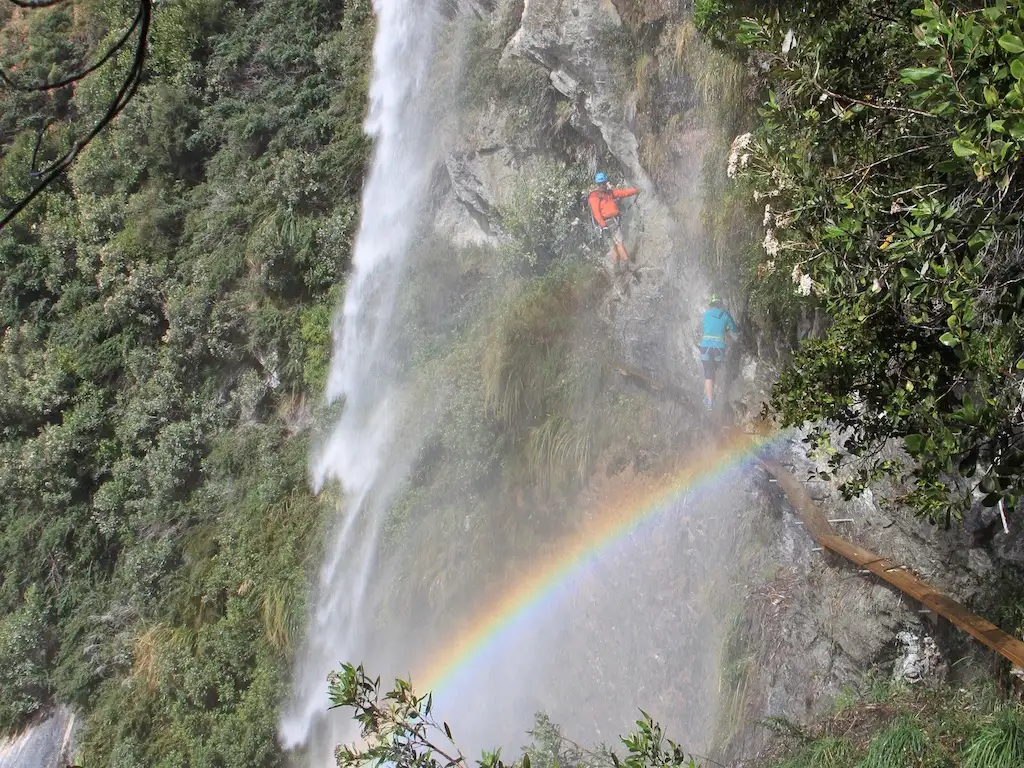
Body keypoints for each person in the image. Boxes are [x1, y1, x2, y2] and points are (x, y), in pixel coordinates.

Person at [587, 172, 639, 271]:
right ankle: (629, 265)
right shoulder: (595, 197)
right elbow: (596, 214)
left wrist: (635, 190)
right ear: (598, 185)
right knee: (618, 244)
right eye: (601, 184)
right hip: (607, 224)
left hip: (610, 223)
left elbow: (623, 193)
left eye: (604, 183)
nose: (603, 185)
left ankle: (617, 269)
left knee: (615, 245)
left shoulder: (609, 193)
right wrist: (604, 226)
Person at [698, 294, 738, 412]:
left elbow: (705, 327)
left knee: (708, 372)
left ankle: (708, 400)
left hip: (705, 346)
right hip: (718, 348)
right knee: (713, 370)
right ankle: (710, 395)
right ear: (720, 304)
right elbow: (735, 331)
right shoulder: (725, 315)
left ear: (711, 304)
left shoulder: (705, 314)